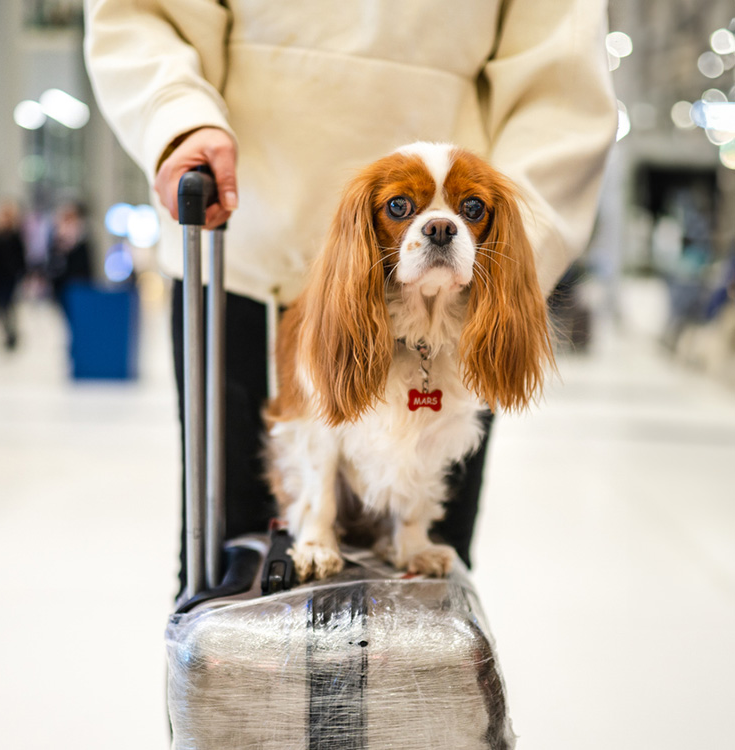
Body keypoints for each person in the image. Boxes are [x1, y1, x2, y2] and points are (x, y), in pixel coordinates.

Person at [84, 0, 617, 596]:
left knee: (420, 621)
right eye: (405, 209)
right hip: (232, 259)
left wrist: (513, 258)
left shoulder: (469, 240)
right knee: (233, 599)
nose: (440, 225)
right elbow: (141, 14)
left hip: (455, 319)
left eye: (466, 212)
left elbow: (562, 88)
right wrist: (177, 116)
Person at [0, 199, 26, 350]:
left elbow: (21, 257)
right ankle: (6, 332)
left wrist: (20, 272)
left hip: (10, 277)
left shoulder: (15, 236)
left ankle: (11, 334)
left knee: (8, 304)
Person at [46, 200, 93, 313]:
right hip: (60, 282)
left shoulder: (82, 237)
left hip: (77, 282)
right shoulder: (56, 236)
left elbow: (85, 262)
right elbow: (52, 260)